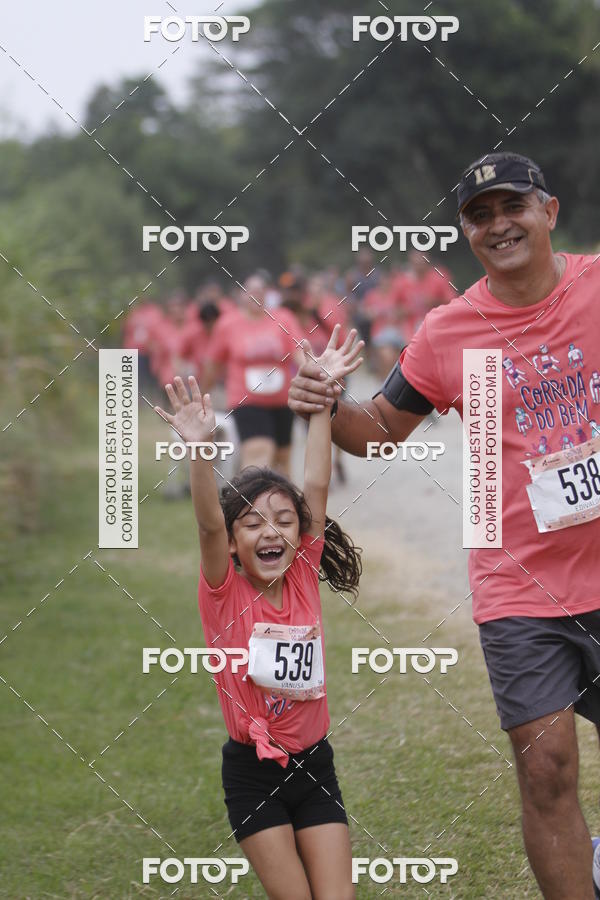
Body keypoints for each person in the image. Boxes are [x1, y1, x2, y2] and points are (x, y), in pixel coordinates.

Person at [289, 152, 600, 900]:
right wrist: (327, 400)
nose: (499, 225)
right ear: (467, 233)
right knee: (545, 765)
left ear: (549, 211)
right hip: (519, 586)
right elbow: (379, 430)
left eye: (512, 206)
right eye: (479, 215)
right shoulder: (446, 332)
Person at [155, 324, 364, 900]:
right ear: (231, 543)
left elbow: (315, 483)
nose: (270, 532)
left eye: (283, 520)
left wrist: (321, 400)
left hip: (314, 766)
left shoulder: (300, 572)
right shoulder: (223, 589)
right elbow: (205, 522)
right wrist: (201, 451)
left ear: (301, 534)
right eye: (251, 524)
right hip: (253, 777)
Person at [203, 273, 305, 477]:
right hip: (246, 400)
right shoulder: (228, 324)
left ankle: (283, 506)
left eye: (260, 291)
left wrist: (311, 371)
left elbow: (298, 352)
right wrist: (203, 397)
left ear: (268, 294)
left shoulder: (283, 318)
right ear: (242, 295)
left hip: (282, 400)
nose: (256, 297)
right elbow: (212, 363)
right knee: (259, 451)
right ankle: (248, 504)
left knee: (282, 459)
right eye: (251, 292)